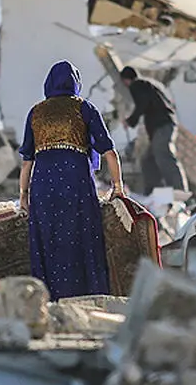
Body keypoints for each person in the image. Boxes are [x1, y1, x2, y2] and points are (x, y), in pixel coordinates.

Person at [19, 60, 125, 300]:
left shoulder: (36, 112)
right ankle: (85, 297)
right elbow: (109, 151)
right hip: (74, 179)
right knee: (81, 235)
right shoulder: (84, 107)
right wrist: (118, 187)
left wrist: (23, 196)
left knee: (48, 239)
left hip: (43, 183)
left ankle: (50, 299)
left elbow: (27, 161)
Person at [119, 66, 188, 194]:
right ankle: (154, 192)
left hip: (162, 125)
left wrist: (130, 120)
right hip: (164, 125)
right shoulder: (148, 85)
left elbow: (142, 104)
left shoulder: (137, 85)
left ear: (126, 80)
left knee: (164, 155)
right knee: (148, 160)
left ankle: (179, 191)